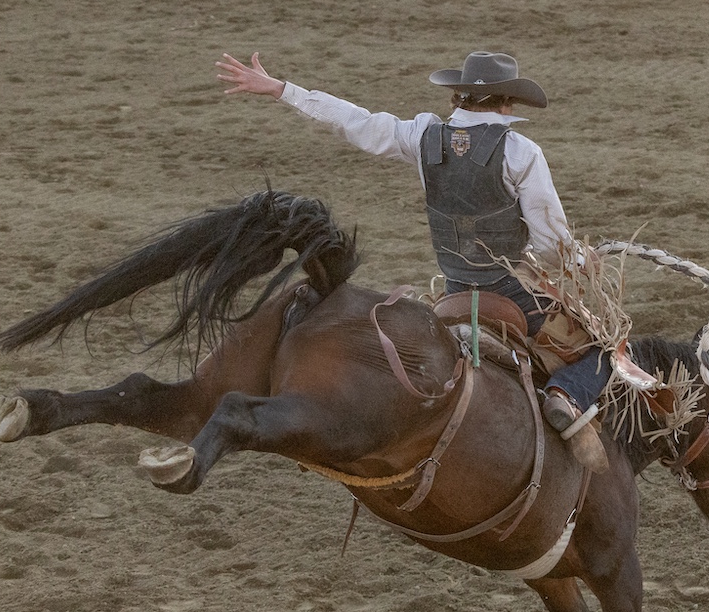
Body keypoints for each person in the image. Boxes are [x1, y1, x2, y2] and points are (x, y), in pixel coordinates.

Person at [215, 50, 609, 459]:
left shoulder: (423, 137)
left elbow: (356, 122)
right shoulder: (521, 152)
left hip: (454, 288)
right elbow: (550, 245)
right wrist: (581, 260)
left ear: (458, 97)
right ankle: (565, 396)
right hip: (511, 292)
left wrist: (282, 89)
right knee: (607, 349)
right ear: (508, 102)